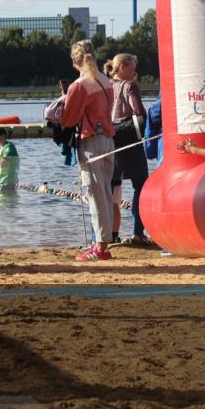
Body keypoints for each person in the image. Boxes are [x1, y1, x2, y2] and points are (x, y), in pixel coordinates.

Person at [61, 40, 117, 261]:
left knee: (95, 194)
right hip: (108, 140)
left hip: (92, 142)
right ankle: (103, 242)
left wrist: (62, 102)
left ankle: (100, 247)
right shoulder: (107, 81)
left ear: (75, 61)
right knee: (106, 191)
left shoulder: (80, 85)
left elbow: (69, 119)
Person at [105, 53, 151, 246]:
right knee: (140, 185)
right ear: (122, 67)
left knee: (111, 188)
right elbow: (139, 113)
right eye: (132, 68)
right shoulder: (129, 86)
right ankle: (137, 232)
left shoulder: (106, 85)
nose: (135, 73)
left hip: (109, 140)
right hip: (129, 142)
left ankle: (108, 234)